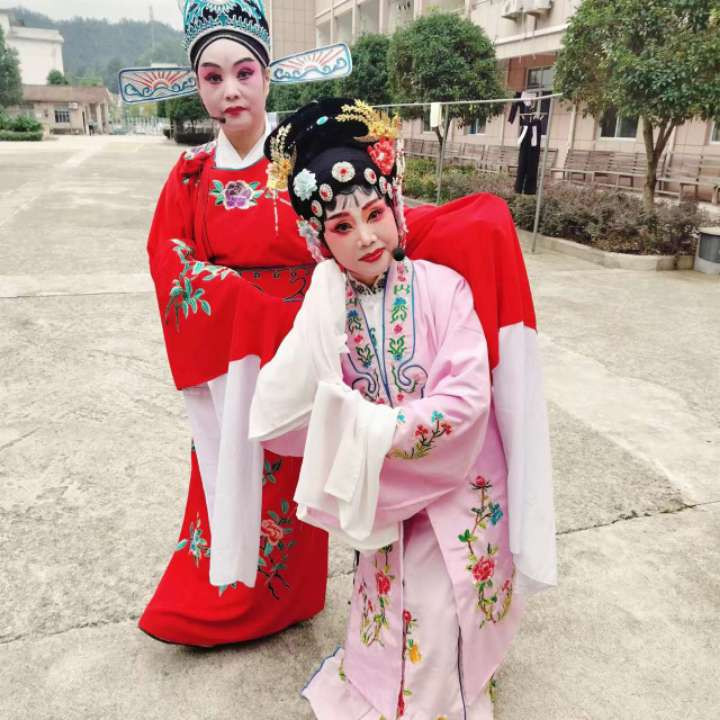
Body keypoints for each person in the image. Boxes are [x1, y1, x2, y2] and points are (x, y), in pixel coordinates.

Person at [250, 98, 557, 719]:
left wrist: (371, 430)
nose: (366, 237)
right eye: (341, 227)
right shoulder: (326, 310)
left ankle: (444, 698)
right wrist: (353, 434)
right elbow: (278, 412)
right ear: (318, 239)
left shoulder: (443, 288)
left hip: (457, 482)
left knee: (442, 605)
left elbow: (466, 399)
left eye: (374, 214)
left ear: (395, 206)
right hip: (382, 493)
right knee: (386, 602)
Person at [138, 0, 329, 647]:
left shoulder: (303, 157)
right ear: (198, 86)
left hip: (302, 341)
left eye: (245, 72)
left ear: (268, 76)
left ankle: (292, 596)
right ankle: (223, 591)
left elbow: (350, 223)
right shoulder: (192, 174)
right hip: (232, 354)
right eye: (213, 77)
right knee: (230, 466)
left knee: (297, 471)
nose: (231, 90)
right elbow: (169, 256)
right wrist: (235, 300)